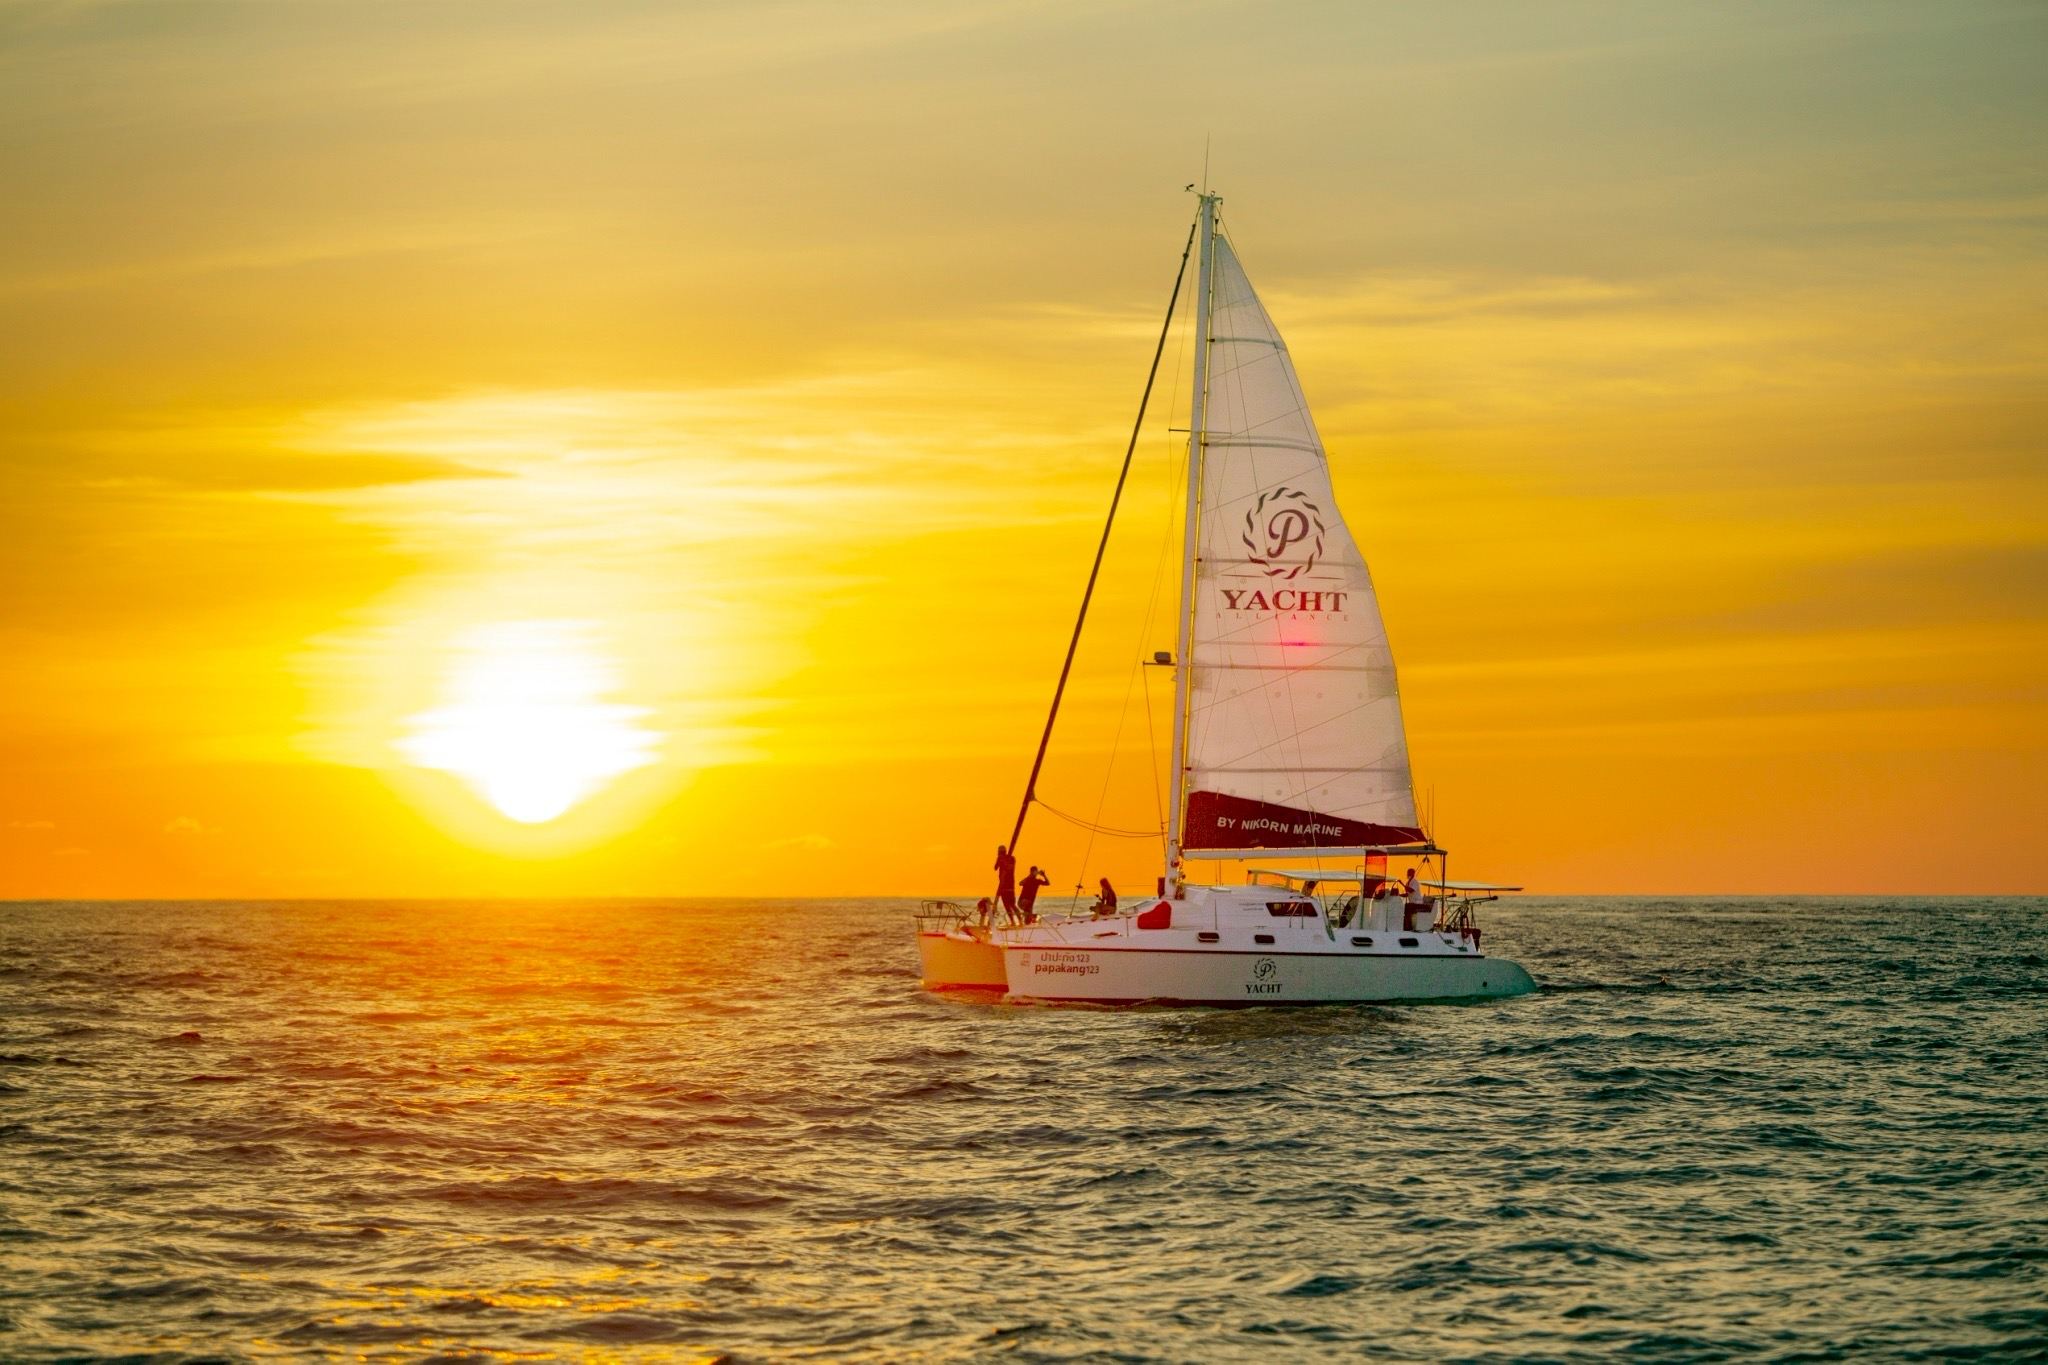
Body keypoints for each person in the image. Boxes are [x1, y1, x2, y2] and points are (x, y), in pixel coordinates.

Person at [992, 844, 1017, 915]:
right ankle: (1012, 921)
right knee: (1006, 906)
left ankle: (1020, 920)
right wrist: (999, 860)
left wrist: (1004, 862)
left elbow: (1010, 868)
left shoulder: (1011, 858)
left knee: (1012, 904)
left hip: (1010, 884)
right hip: (1002, 884)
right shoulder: (1000, 858)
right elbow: (995, 868)